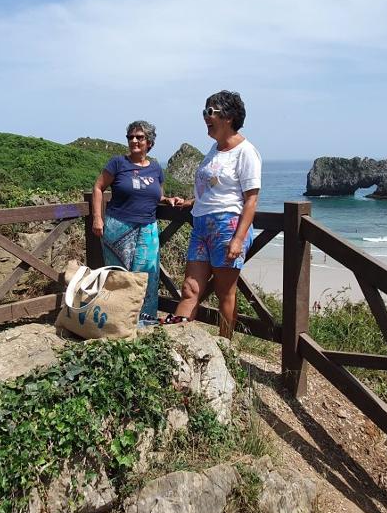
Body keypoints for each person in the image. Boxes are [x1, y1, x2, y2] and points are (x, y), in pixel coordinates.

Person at [164, 91, 261, 339]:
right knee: (190, 288)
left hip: (228, 227)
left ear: (227, 116)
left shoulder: (246, 151)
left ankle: (224, 346)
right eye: (204, 112)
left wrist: (238, 239)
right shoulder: (214, 149)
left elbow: (251, 199)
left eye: (210, 112)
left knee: (224, 293)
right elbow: (212, 190)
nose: (205, 117)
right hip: (201, 225)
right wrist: (189, 202)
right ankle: (177, 343)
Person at [90, 120, 169, 327]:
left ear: (149, 142)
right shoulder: (118, 163)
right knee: (119, 279)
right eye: (130, 137)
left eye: (139, 137)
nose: (134, 140)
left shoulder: (155, 168)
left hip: (148, 230)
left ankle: (144, 324)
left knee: (147, 279)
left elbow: (158, 195)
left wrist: (168, 200)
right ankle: (116, 324)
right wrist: (97, 217)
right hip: (118, 228)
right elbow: (98, 188)